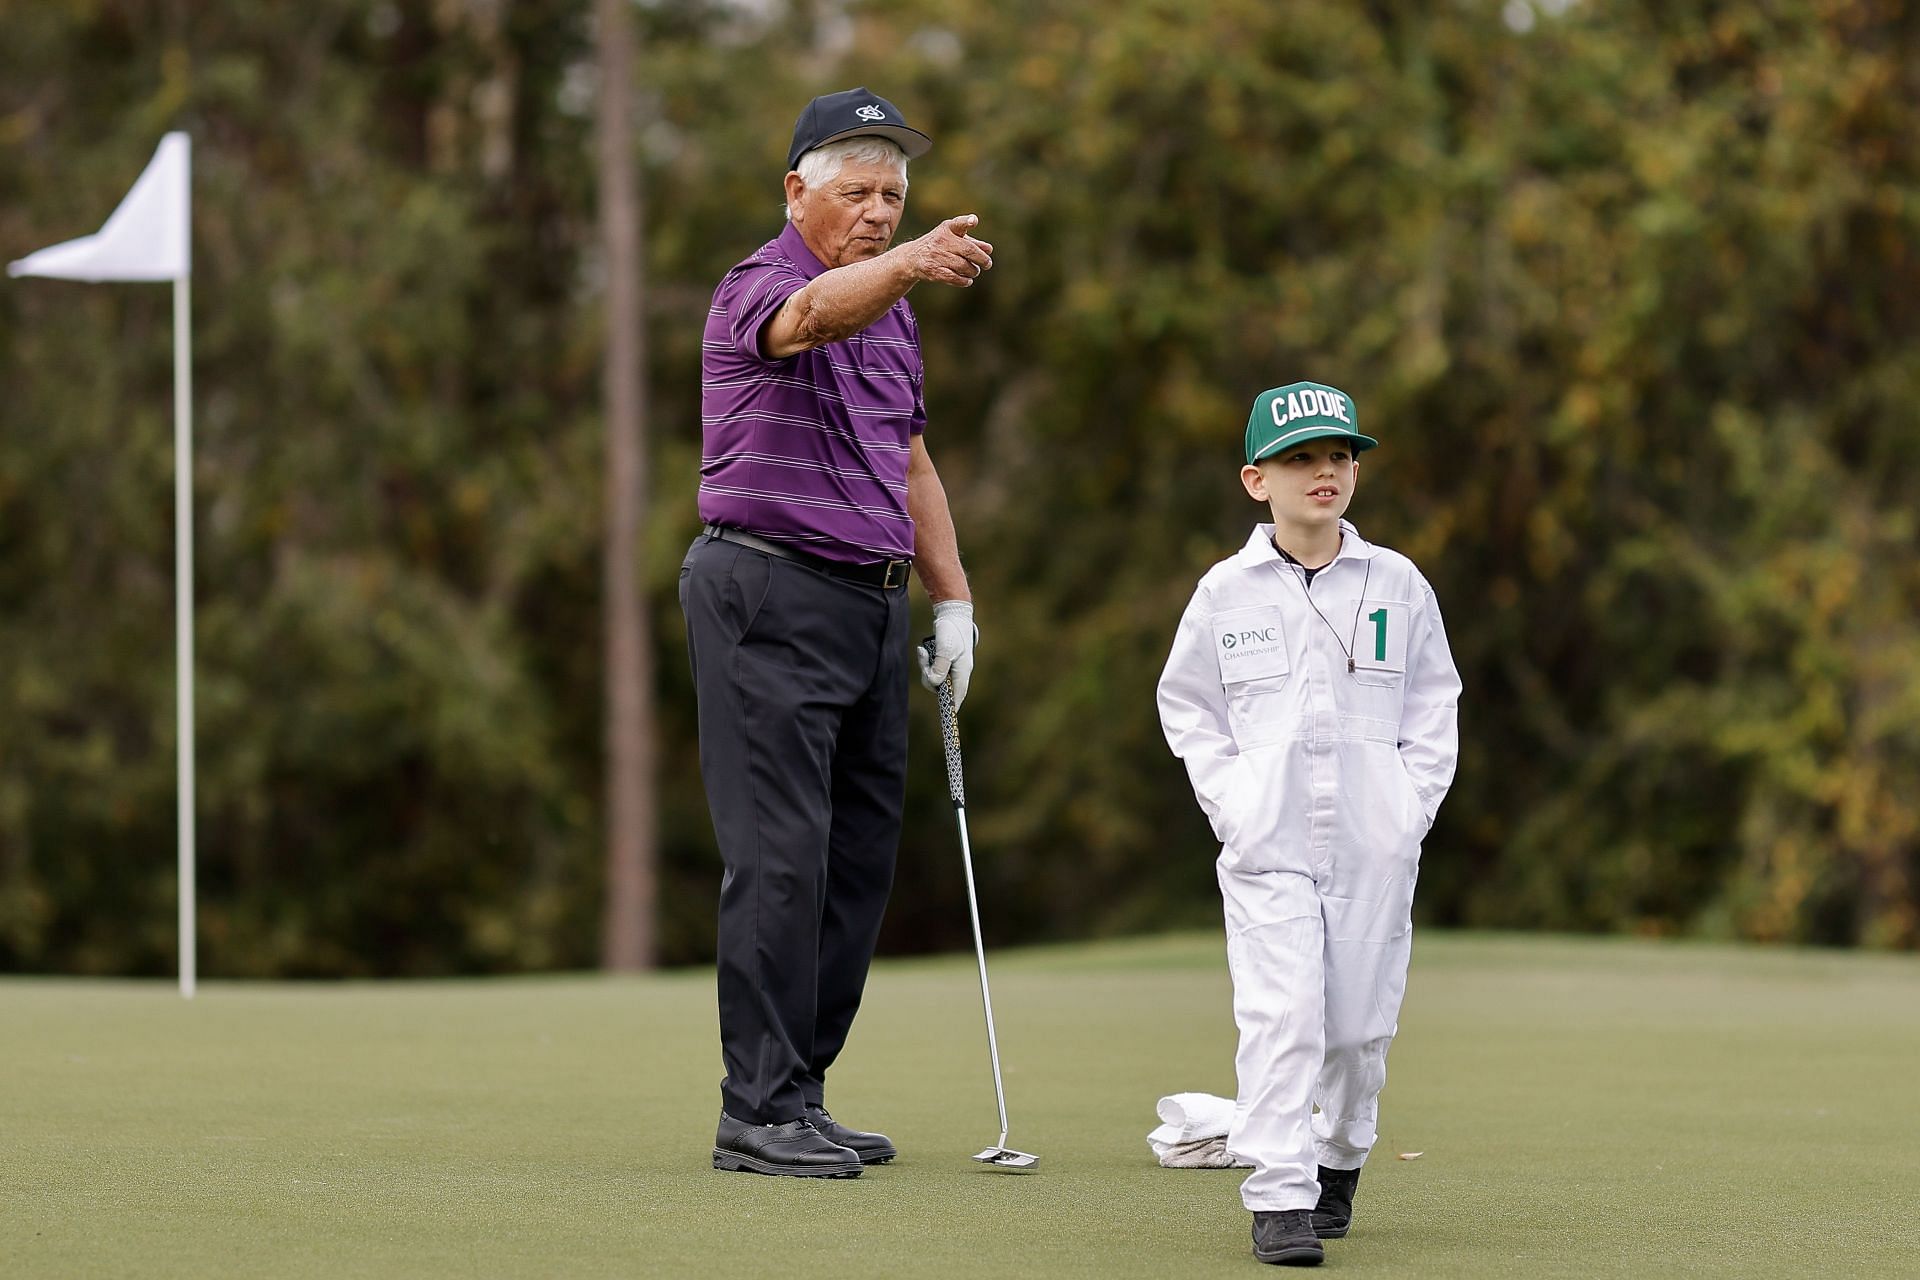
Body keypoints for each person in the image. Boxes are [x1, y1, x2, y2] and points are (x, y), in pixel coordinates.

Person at [679, 87, 992, 1179]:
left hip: (869, 601)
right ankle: (752, 1109)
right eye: (855, 191)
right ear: (795, 191)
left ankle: (798, 1092)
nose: (877, 211)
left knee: (856, 858)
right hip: (765, 588)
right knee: (780, 854)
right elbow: (812, 319)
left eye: (893, 196)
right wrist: (907, 264)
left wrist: (951, 599)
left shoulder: (892, 312)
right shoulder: (759, 285)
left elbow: (909, 462)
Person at [1155, 382, 1461, 1265]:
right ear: (1258, 480)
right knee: (1282, 1017)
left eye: (1338, 456)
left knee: (1358, 1030)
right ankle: (1280, 1195)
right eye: (1300, 459)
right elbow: (1189, 709)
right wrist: (1234, 805)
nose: (1323, 472)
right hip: (1269, 842)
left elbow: (1434, 705)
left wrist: (1409, 809)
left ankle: (1338, 1157)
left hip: (1374, 842)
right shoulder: (1225, 593)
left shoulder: (1397, 584)